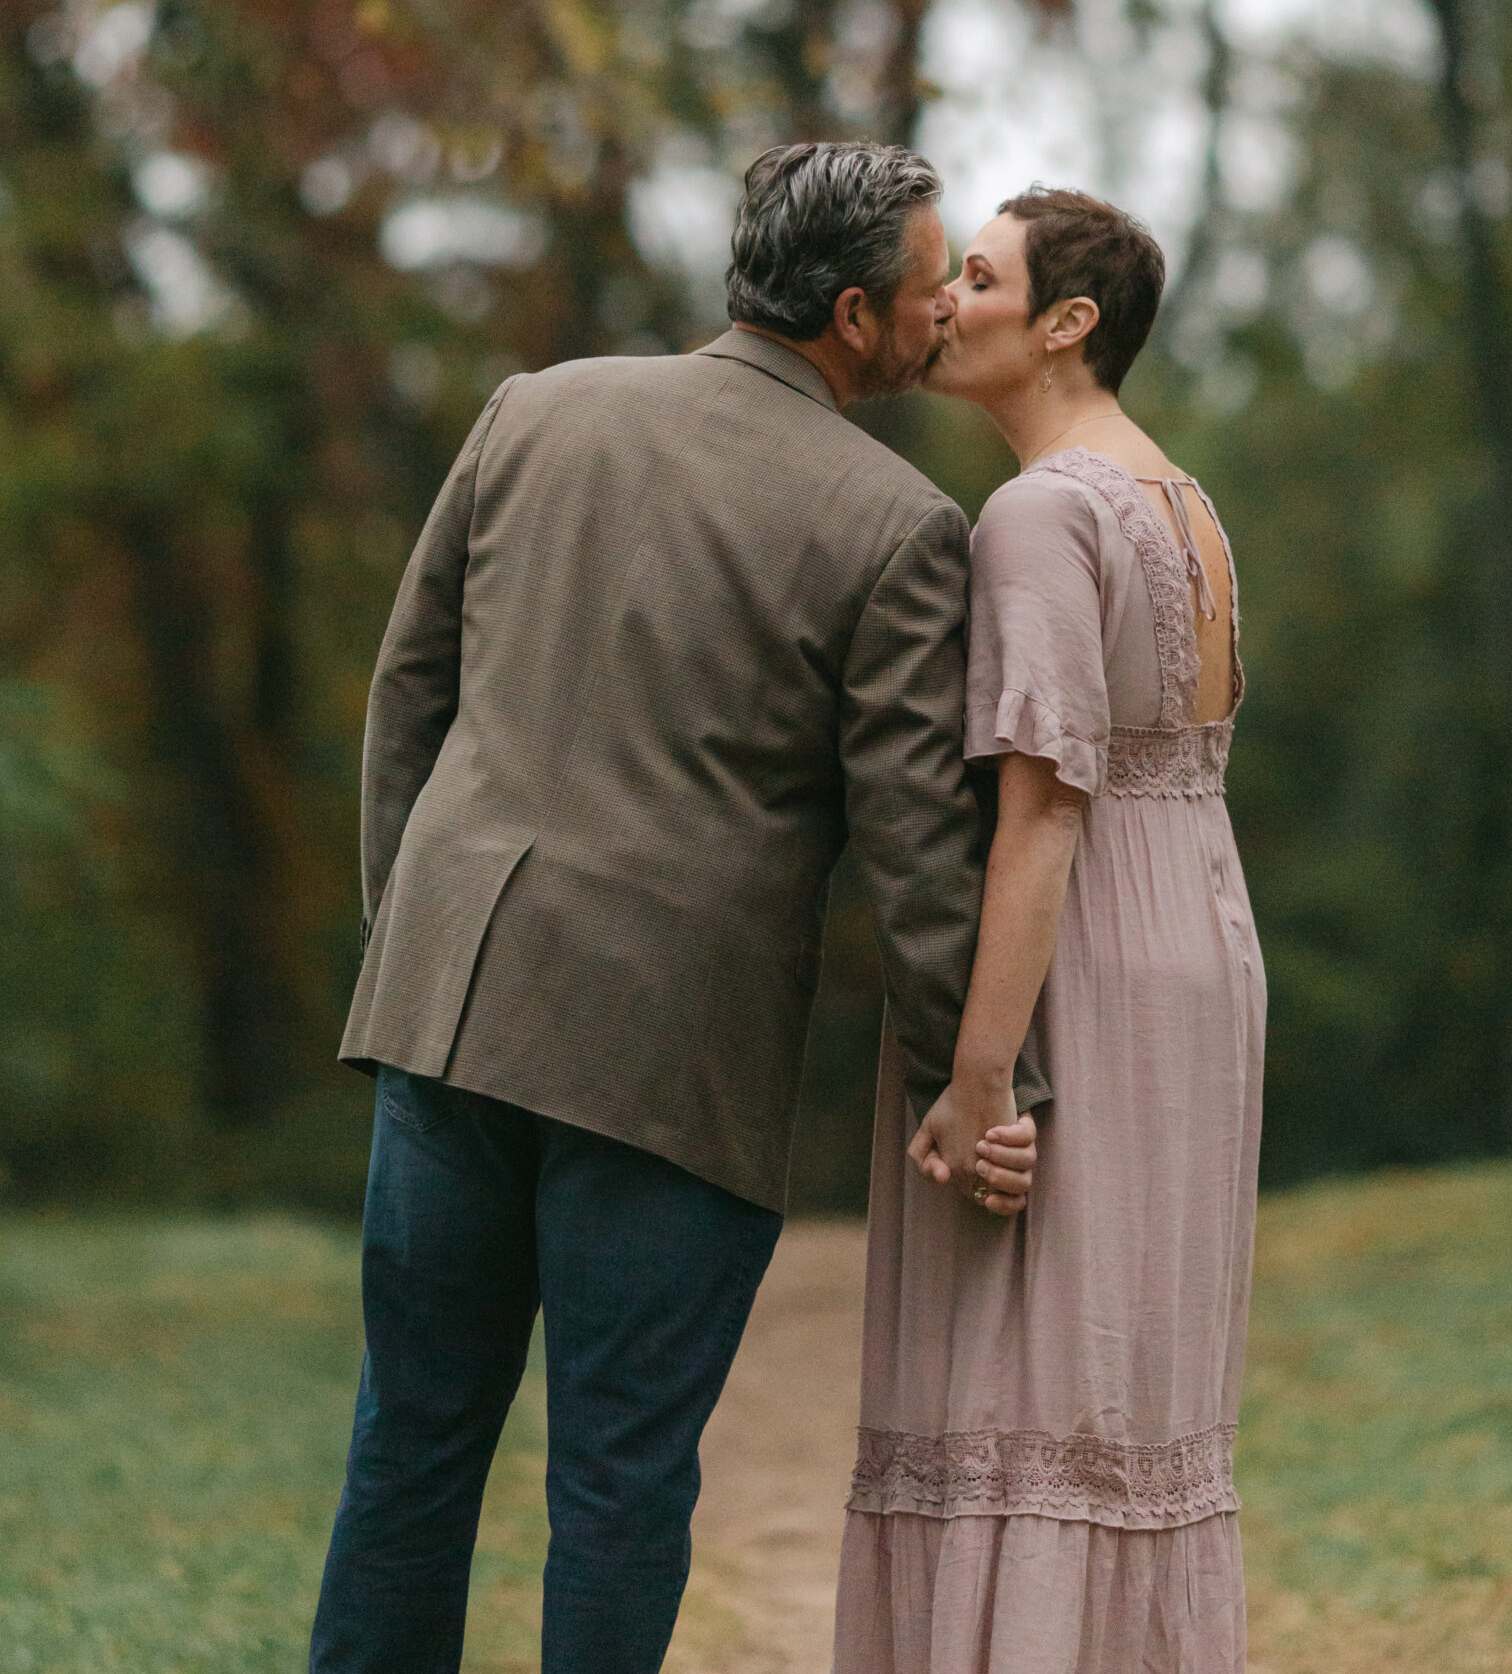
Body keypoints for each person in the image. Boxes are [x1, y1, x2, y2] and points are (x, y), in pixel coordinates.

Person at [309, 140, 1044, 1674]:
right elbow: (917, 848)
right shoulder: (898, 525)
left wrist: (415, 935)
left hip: (451, 1007)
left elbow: (409, 695)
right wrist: (983, 1089)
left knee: (412, 1445)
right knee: (619, 1483)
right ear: (852, 314)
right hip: (667, 1060)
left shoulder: (537, 406)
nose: (937, 317)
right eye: (925, 290)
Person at [834, 186, 1266, 1674]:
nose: (945, 299)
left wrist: (978, 1079)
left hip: (1078, 960)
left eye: (980, 276)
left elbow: (1047, 809)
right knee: (1131, 1397)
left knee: (1024, 1377)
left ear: (1067, 324)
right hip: (1202, 947)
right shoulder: (1182, 501)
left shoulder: (1035, 513)